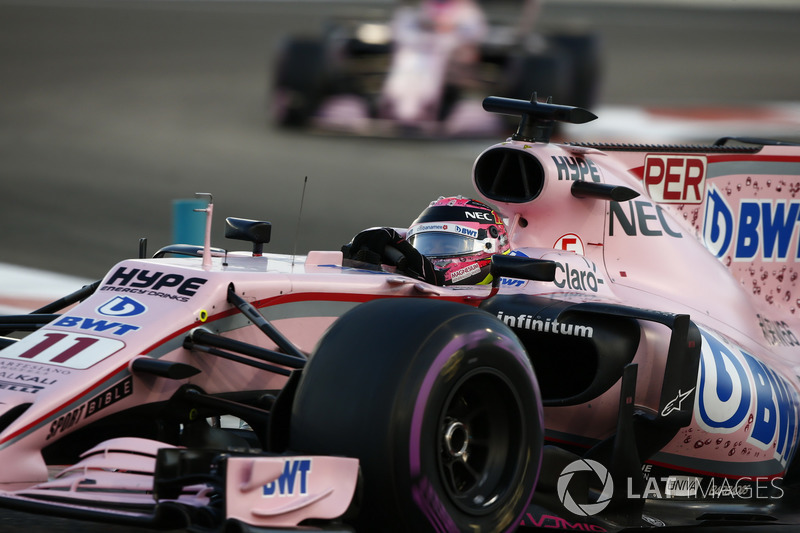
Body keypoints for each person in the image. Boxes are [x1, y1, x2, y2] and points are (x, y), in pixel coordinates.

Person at [342, 196, 510, 285]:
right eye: (427, 246)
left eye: (448, 245)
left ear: (490, 246)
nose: (431, 256)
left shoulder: (519, 295)